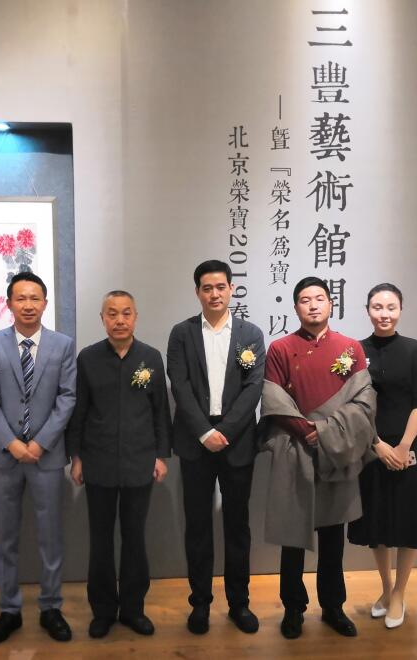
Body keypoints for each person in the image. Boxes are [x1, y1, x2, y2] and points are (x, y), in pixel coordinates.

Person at [259, 276, 376, 640]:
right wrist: (307, 431)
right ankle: (293, 609)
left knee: (333, 537)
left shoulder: (350, 348)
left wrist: (325, 433)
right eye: (305, 300)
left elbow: (364, 403)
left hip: (336, 451)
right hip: (295, 450)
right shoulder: (280, 348)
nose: (313, 305)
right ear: (296, 307)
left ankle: (333, 607)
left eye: (320, 298)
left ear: (330, 304)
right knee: (293, 536)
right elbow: (273, 399)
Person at [167, 260, 265, 635]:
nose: (214, 294)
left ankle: (239, 603)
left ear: (231, 289)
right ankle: (200, 603)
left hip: (237, 441)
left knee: (237, 526)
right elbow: (179, 385)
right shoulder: (182, 333)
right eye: (207, 288)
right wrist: (204, 432)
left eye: (221, 287)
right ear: (197, 292)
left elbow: (254, 387)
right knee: (197, 526)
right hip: (196, 442)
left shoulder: (250, 334)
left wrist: (224, 430)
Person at [67, 290, 172, 639]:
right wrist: (76, 457)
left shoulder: (151, 357)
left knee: (134, 538)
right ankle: (102, 610)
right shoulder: (88, 358)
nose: (119, 320)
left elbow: (160, 411)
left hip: (140, 461)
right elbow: (78, 411)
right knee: (100, 540)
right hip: (97, 462)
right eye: (112, 314)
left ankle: (132, 608)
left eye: (126, 313)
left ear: (135, 317)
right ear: (103, 319)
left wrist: (160, 456)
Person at [0, 272, 76, 645]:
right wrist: (12, 443)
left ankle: (51, 607)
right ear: (9, 303)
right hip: (4, 457)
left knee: (51, 536)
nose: (28, 305)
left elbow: (67, 397)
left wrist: (40, 443)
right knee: (4, 537)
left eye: (35, 298)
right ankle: (9, 610)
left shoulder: (62, 345)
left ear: (45, 303)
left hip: (46, 457)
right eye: (20, 298)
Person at [348, 283, 417, 629]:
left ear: (400, 310)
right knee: (377, 522)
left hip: (408, 446)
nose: (384, 314)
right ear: (368, 310)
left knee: (408, 522)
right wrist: (377, 444)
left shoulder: (413, 349)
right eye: (377, 307)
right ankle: (385, 589)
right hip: (372, 447)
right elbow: (352, 404)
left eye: (391, 307)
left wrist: (403, 446)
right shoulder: (355, 350)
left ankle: (400, 592)